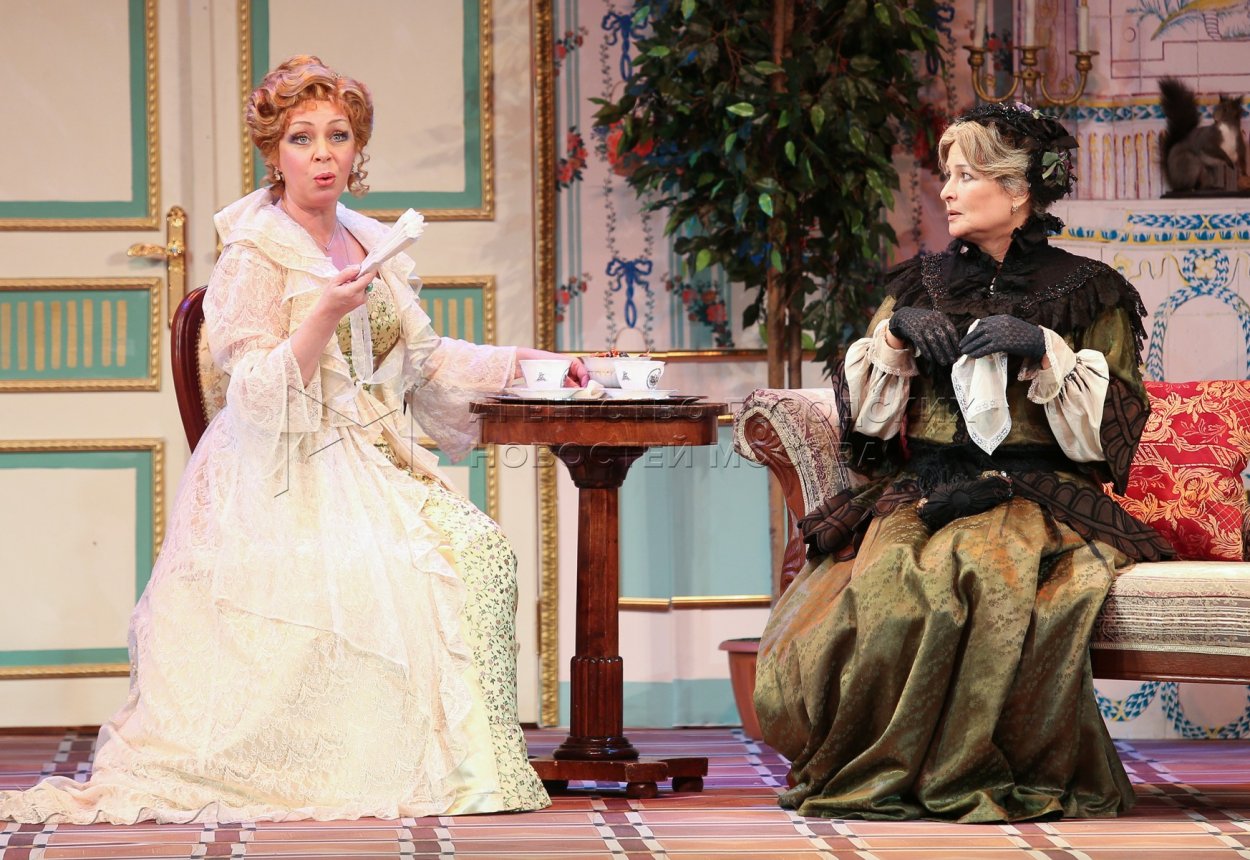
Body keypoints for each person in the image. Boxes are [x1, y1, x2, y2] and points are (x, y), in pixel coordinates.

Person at [0, 55, 585, 824]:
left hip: (367, 461)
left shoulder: (367, 240)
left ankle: (479, 769)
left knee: (481, 552)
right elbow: (252, 391)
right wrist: (322, 317)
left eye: (338, 136)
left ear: (357, 148)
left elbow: (425, 361)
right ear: (275, 153)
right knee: (385, 571)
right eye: (302, 138)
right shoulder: (254, 252)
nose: (322, 154)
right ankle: (362, 763)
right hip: (277, 470)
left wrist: (534, 363)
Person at [754, 102, 1174, 823]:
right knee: (891, 587)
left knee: (983, 573)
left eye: (964, 176)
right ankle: (889, 767)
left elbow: (1113, 430)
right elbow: (868, 432)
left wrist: (1043, 348)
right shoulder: (914, 286)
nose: (945, 191)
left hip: (1036, 492)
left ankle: (969, 765)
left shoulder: (1089, 290)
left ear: (1017, 191)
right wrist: (894, 336)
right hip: (924, 486)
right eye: (946, 175)